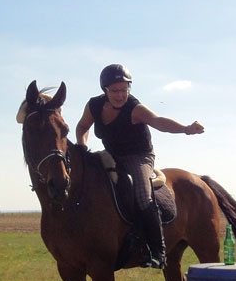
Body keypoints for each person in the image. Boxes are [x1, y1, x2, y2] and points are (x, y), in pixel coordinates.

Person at [75, 63, 205, 269]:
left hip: (139, 157)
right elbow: (82, 126)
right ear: (105, 90)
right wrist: (82, 147)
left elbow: (159, 121)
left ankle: (158, 250)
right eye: (115, 90)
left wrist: (186, 129)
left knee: (143, 195)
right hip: (113, 156)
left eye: (125, 89)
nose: (120, 95)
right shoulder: (94, 106)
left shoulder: (135, 109)